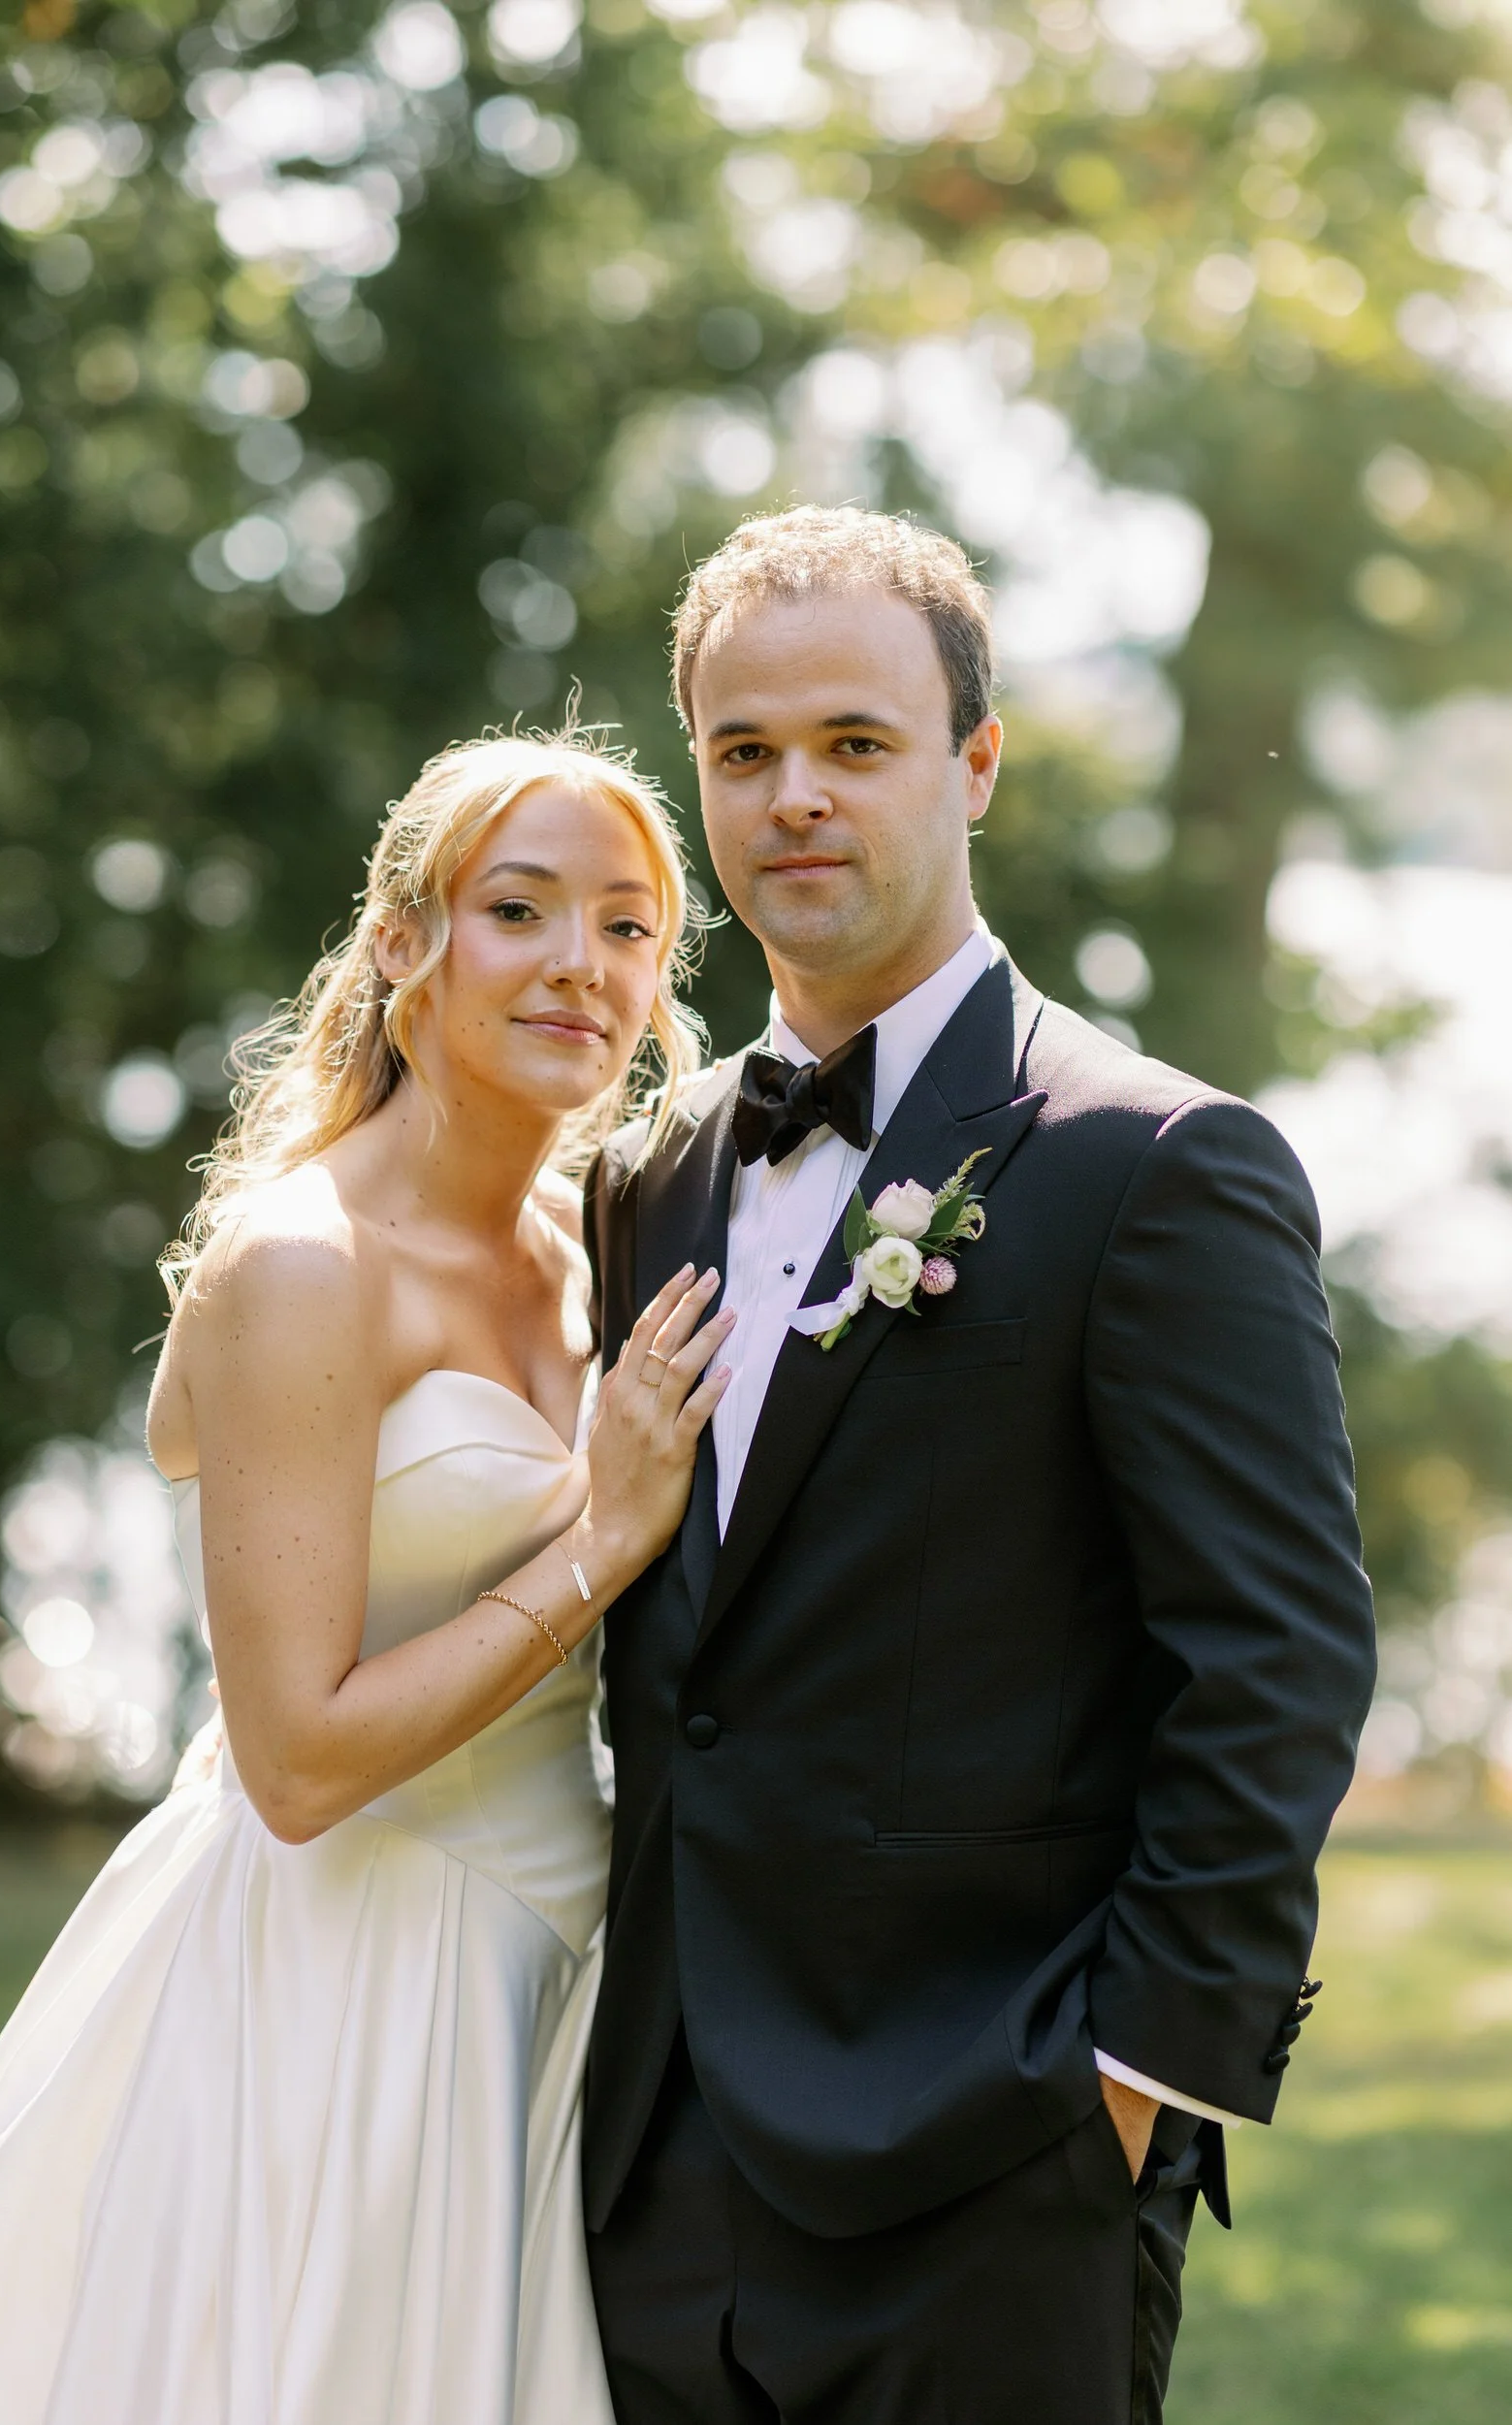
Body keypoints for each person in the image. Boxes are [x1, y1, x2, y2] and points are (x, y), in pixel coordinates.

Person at [581, 507, 1378, 2424]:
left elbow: (1272, 1666)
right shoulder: (647, 1170)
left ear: (975, 762)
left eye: (854, 744)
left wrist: (1120, 2093)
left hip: (990, 2154)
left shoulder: (1154, 1164)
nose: (792, 798)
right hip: (648, 2156)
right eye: (742, 750)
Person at [0, 732, 729, 2425]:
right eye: (523, 909)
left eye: (631, 928)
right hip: (352, 1974)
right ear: (407, 942)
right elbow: (292, 1765)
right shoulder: (303, 1264)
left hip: (562, 1967)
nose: (584, 962)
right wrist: (599, 1543)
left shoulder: (607, 1244)